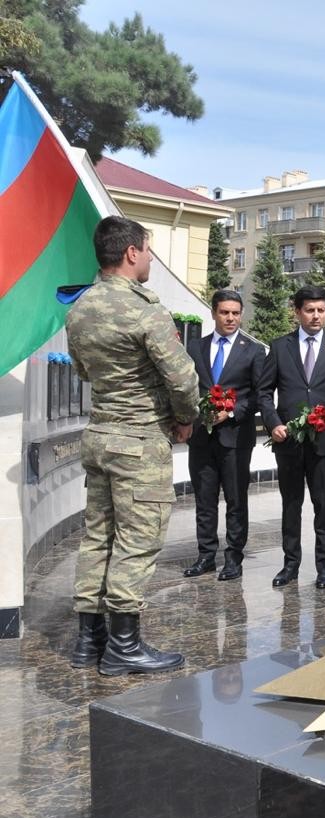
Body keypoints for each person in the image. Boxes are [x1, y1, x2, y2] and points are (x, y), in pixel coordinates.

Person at [66, 215, 200, 675]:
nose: (149, 259)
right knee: (137, 540)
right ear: (130, 253)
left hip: (99, 435)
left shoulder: (79, 308)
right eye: (147, 250)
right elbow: (182, 377)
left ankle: (90, 639)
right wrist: (184, 419)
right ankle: (124, 645)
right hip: (139, 440)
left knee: (97, 536)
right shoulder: (144, 308)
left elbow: (83, 371)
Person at [259, 285, 325, 590]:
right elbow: (263, 392)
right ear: (297, 312)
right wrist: (273, 423)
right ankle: (290, 565)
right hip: (288, 441)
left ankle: (324, 567)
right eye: (310, 310)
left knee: (323, 505)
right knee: (291, 504)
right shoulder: (279, 347)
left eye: (321, 310)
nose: (316, 316)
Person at [183, 289, 265, 582]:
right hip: (201, 438)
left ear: (241, 314)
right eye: (224, 312)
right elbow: (187, 388)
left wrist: (230, 413)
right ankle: (206, 555)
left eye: (235, 313)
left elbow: (259, 396)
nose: (230, 318)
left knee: (235, 499)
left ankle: (233, 559)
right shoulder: (195, 347)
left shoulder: (254, 351)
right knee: (204, 500)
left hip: (236, 437)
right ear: (214, 313)